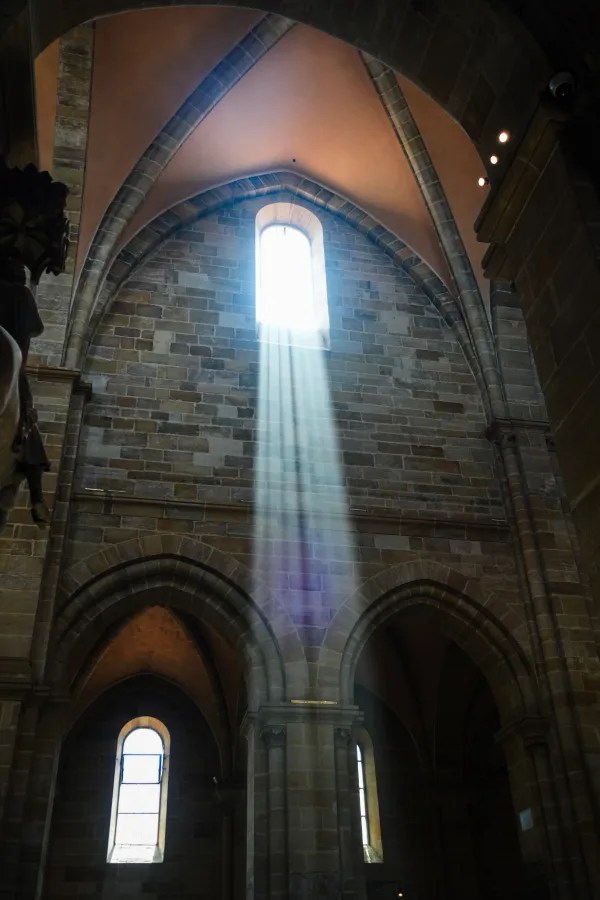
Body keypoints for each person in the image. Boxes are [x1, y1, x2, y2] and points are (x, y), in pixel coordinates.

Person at [0, 256, 51, 526]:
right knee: (27, 422)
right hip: (14, 363)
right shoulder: (22, 295)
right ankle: (37, 497)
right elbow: (32, 331)